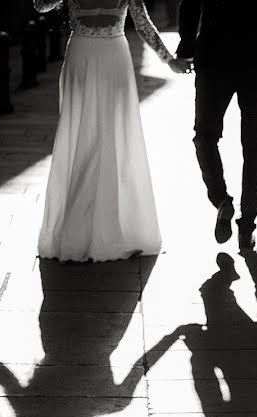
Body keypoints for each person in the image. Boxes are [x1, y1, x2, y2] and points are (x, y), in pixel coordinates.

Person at [34, 0, 190, 262]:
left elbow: (40, 6)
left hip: (94, 54)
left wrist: (169, 59)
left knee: (97, 138)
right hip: (102, 55)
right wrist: (168, 59)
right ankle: (95, 229)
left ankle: (82, 231)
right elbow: (142, 24)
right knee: (99, 138)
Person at [176, 0, 257, 250]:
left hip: (215, 55)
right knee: (255, 144)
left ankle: (221, 199)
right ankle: (247, 227)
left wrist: (186, 47)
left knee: (205, 135)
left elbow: (190, 3)